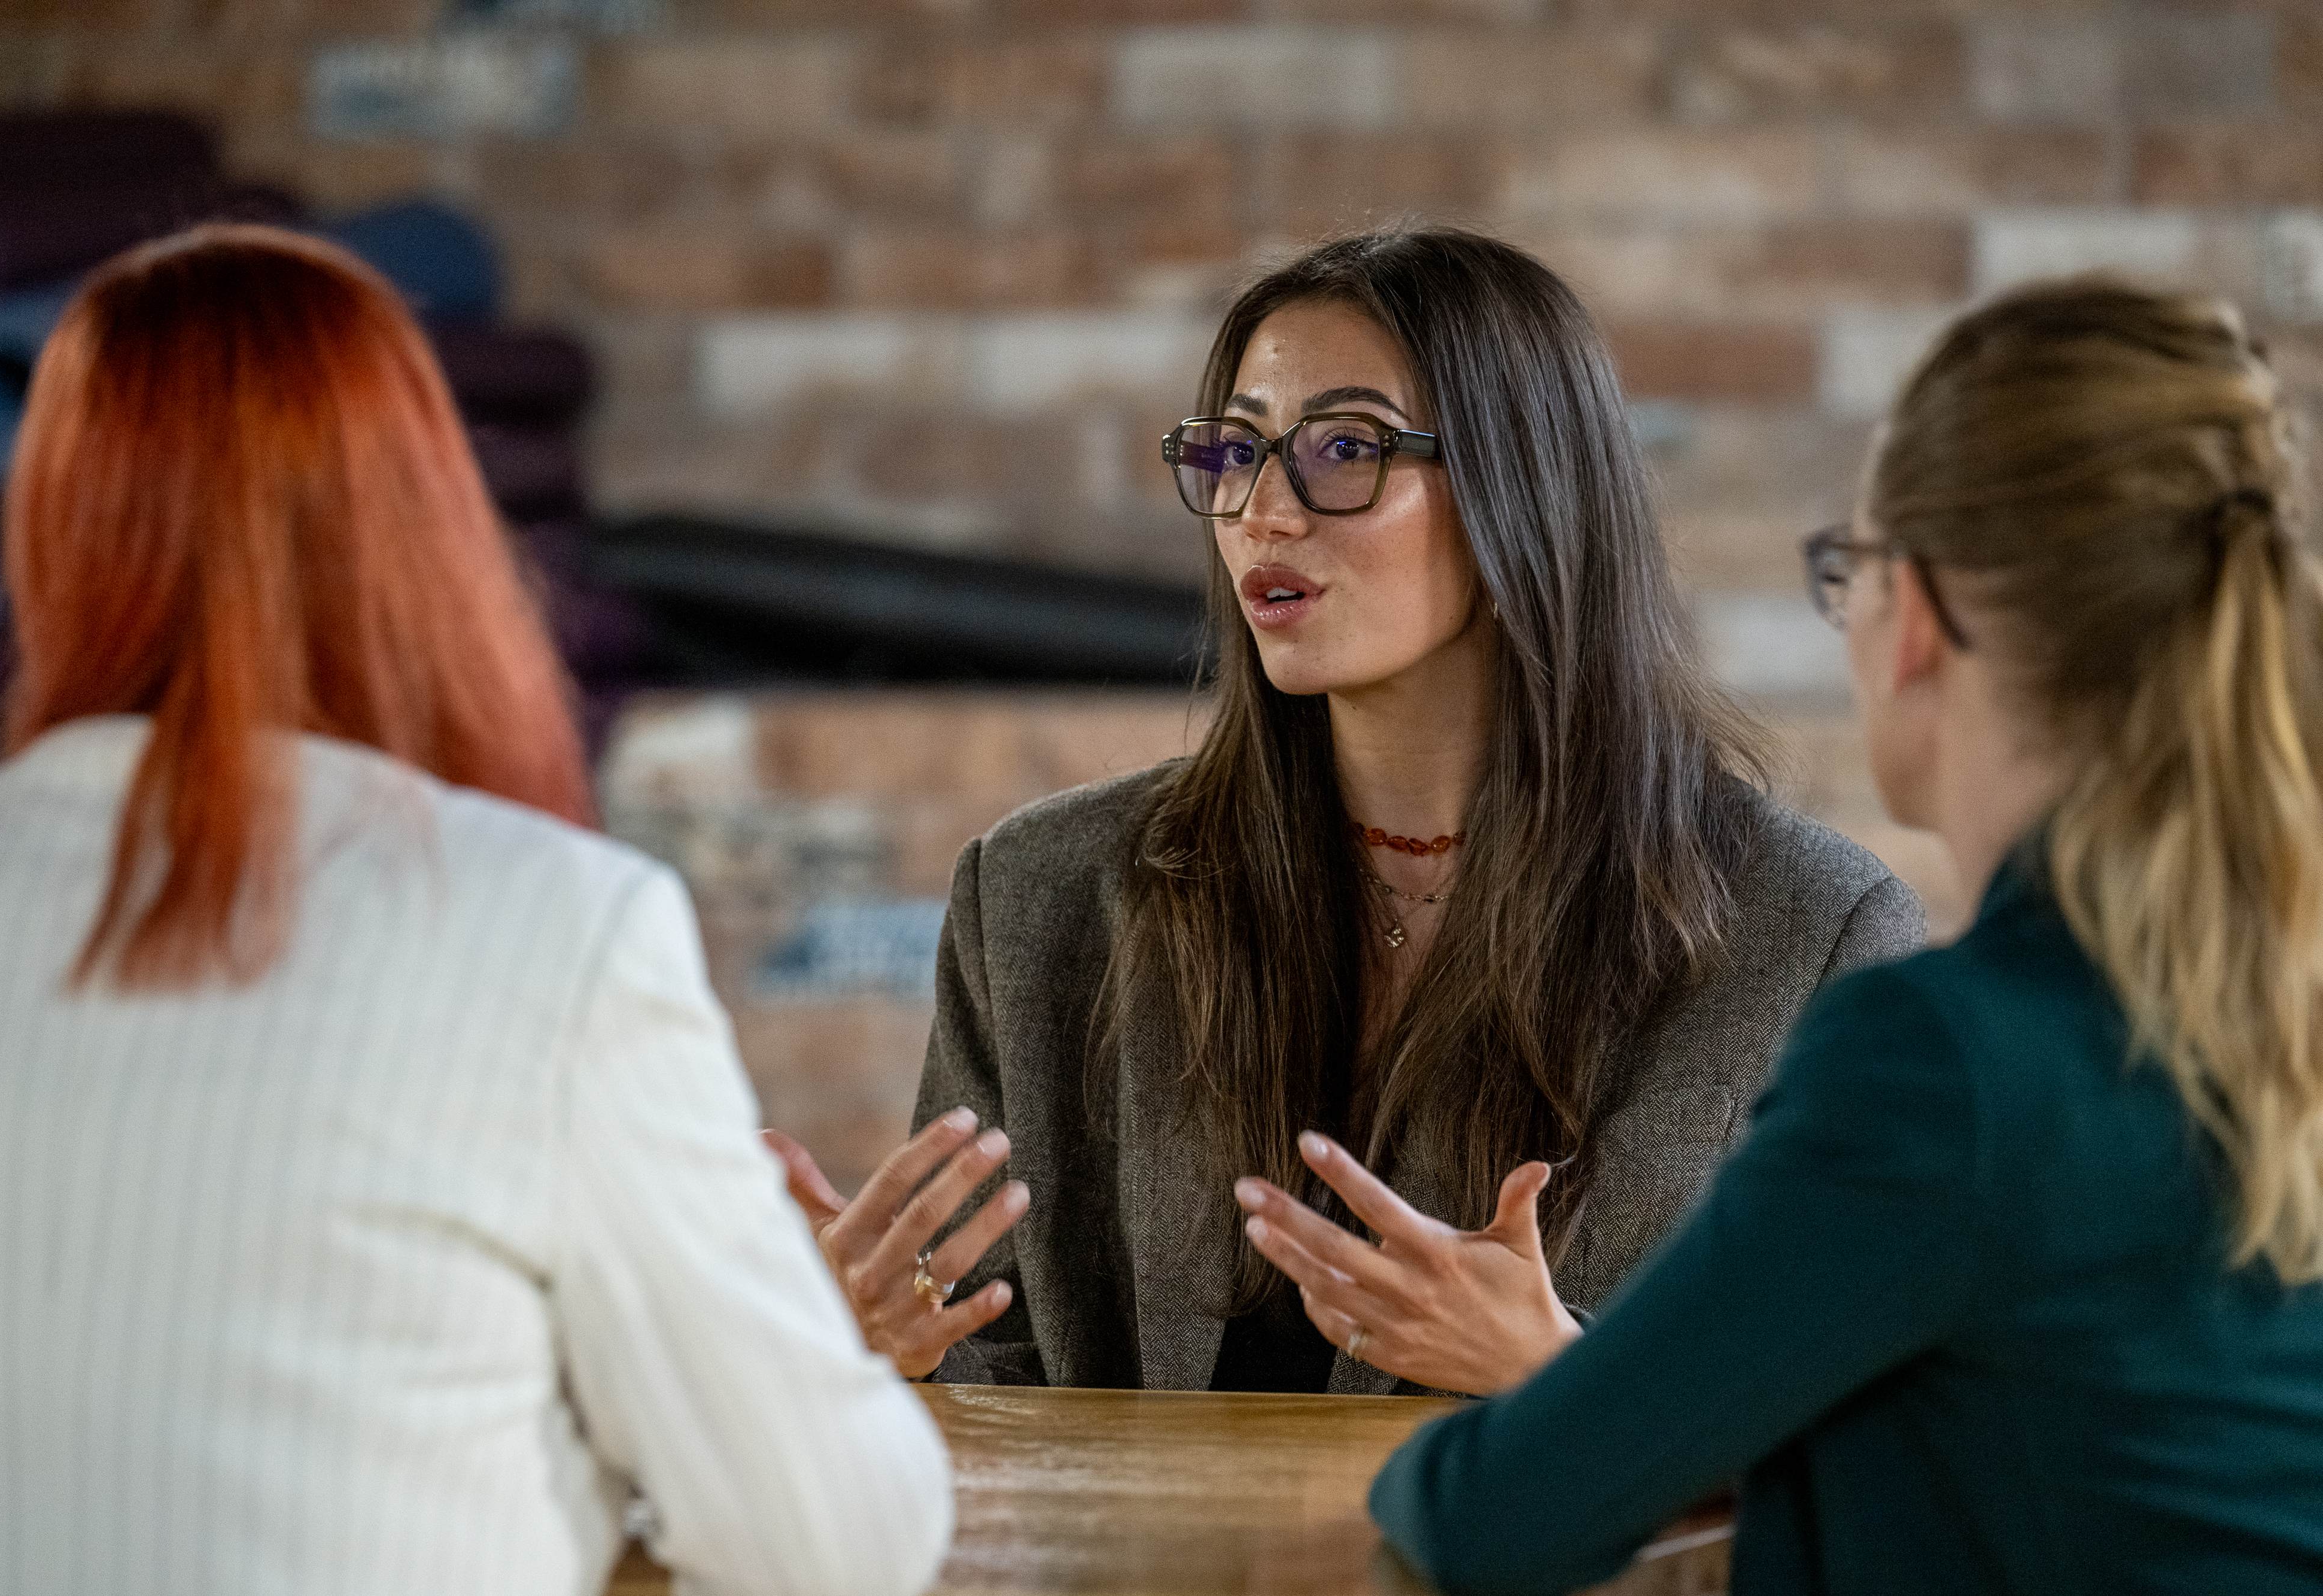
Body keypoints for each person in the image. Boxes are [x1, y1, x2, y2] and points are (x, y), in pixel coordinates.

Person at [0, 226, 950, 1596]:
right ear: (419, 525)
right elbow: (834, 1544)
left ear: (52, 527)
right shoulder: (565, 928)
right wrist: (782, 1331)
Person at [765, 227, 1924, 1395]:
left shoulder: (1814, 931)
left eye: (1341, 448)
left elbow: (1879, 1458)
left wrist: (1572, 1377)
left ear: (1521, 484)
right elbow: (983, 1379)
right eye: (1233, 451)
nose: (1261, 513)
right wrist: (857, 1353)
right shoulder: (1042, 895)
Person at [1369, 276, 2323, 1595]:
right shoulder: (2271, 1011)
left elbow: (1495, 1512)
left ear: (1915, 615)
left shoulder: (1943, 1060)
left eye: (1849, 570)